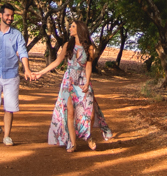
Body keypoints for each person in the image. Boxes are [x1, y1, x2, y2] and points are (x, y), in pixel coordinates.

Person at [33, 19, 114, 152]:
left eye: (73, 26)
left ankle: (88, 136)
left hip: (83, 80)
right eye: (70, 26)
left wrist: (87, 82)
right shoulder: (67, 45)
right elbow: (57, 62)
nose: (70, 28)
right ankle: (72, 142)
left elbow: (88, 66)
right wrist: (41, 73)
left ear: (79, 29)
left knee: (89, 112)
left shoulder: (89, 47)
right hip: (68, 81)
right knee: (70, 112)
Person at [0, 3, 35, 146]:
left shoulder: (16, 35)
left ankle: (7, 136)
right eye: (7, 15)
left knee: (9, 107)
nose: (10, 18)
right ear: (1, 15)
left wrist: (26, 69)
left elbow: (23, 52)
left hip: (12, 75)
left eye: (12, 16)